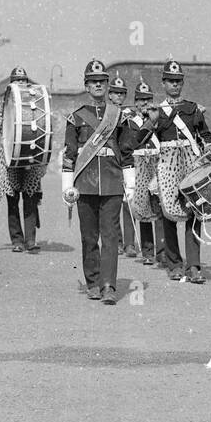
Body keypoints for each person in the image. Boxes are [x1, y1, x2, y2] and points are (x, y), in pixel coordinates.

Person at [137, 59, 211, 283]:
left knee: (195, 212)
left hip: (191, 162)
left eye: (178, 81)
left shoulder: (192, 108)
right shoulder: (157, 111)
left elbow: (205, 136)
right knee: (169, 213)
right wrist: (150, 121)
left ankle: (194, 266)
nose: (175, 85)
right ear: (163, 83)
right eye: (170, 81)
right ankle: (174, 265)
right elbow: (139, 140)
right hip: (168, 163)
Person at [63, 58, 128, 303]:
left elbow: (127, 152)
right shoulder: (76, 117)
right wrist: (67, 186)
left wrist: (129, 183)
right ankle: (93, 282)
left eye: (102, 81)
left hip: (112, 182)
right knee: (89, 237)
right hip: (85, 184)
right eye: (93, 82)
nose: (98, 85)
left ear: (108, 85)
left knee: (110, 236)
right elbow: (69, 155)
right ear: (86, 86)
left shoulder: (118, 116)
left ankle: (109, 285)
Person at [0, 66, 45, 253]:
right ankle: (17, 240)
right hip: (9, 159)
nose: (20, 84)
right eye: (17, 81)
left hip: (31, 157)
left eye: (23, 81)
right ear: (11, 85)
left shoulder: (35, 104)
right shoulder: (1, 105)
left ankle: (31, 240)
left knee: (30, 198)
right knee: (12, 199)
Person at [119, 79, 160, 265]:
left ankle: (163, 251)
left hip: (157, 163)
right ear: (135, 102)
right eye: (141, 100)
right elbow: (130, 144)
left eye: (148, 99)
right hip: (138, 164)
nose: (145, 103)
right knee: (142, 207)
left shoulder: (158, 118)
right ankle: (148, 251)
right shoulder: (129, 120)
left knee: (160, 207)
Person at [108, 74, 139, 259]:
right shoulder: (105, 114)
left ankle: (129, 244)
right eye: (115, 93)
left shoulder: (130, 115)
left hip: (127, 162)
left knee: (129, 203)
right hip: (110, 163)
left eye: (122, 93)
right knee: (112, 205)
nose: (119, 96)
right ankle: (117, 241)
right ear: (109, 95)